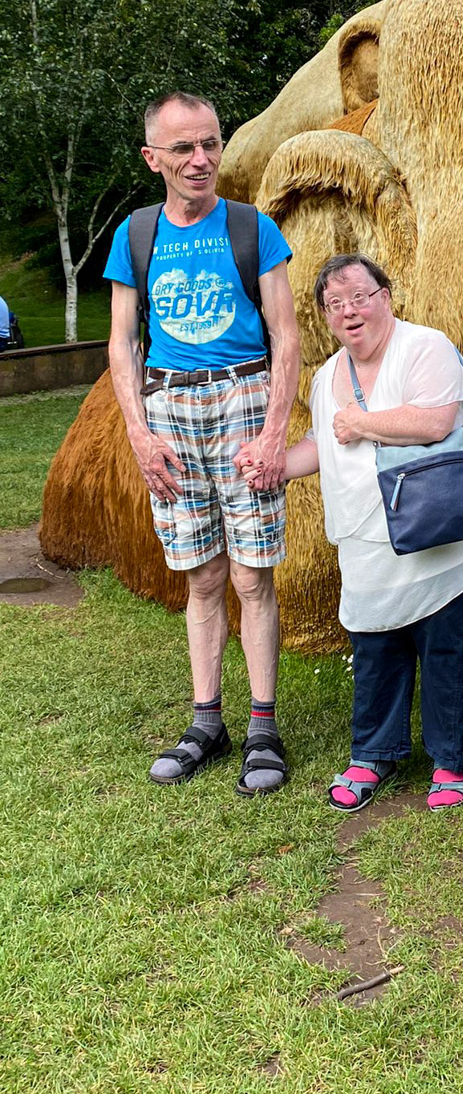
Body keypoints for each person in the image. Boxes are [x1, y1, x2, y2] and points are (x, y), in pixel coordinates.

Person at [263, 252, 463, 813]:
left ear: (385, 298)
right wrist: (272, 463)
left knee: (449, 645)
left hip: (446, 529)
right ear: (326, 317)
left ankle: (450, 761)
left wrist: (359, 423)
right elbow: (325, 448)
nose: (349, 311)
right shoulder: (328, 377)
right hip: (370, 542)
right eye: (334, 304)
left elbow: (435, 421)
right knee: (376, 644)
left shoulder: (426, 347)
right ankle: (374, 753)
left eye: (359, 297)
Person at [105, 91, 300, 793]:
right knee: (204, 575)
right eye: (183, 147)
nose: (201, 159)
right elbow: (122, 343)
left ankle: (263, 727)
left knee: (252, 574)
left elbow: (286, 336)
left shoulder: (253, 228)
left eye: (210, 143)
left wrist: (276, 431)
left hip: (245, 400)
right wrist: (138, 432)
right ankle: (206, 721)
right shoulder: (136, 235)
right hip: (170, 413)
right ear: (152, 157)